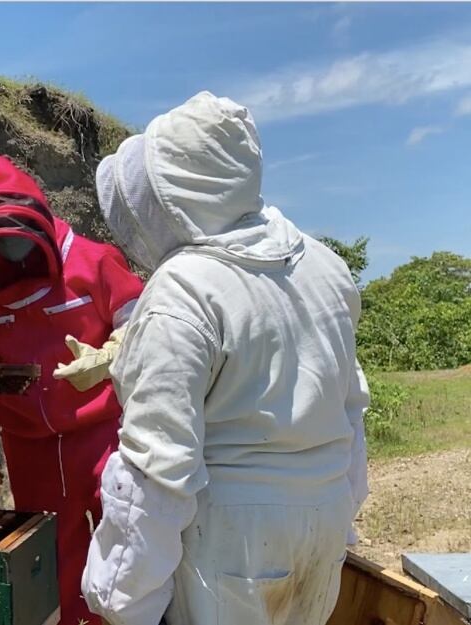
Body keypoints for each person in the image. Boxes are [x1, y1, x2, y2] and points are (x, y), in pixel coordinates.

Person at [82, 91, 369, 625]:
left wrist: (123, 600)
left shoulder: (183, 289)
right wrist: (339, 522)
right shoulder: (327, 267)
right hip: (324, 517)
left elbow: (156, 471)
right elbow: (351, 413)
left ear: (173, 192)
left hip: (230, 540)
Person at [0, 155, 145, 625]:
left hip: (103, 431)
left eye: (17, 249)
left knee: (125, 533)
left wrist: (106, 360)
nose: (9, 262)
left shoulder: (95, 260)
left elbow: (144, 325)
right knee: (50, 551)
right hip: (28, 443)